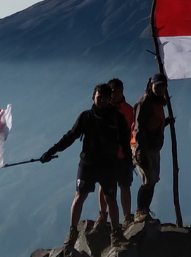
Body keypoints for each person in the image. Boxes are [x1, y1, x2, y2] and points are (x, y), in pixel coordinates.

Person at [40, 83, 128, 247]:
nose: (101, 100)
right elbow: (71, 136)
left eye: (105, 97)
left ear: (110, 99)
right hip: (88, 164)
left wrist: (126, 161)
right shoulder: (86, 117)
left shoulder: (116, 118)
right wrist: (51, 151)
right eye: (99, 97)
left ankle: (116, 233)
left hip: (108, 165)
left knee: (111, 199)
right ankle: (73, 232)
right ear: (93, 97)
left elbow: (125, 141)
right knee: (80, 196)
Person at [132, 73, 170, 222]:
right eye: (157, 86)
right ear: (151, 86)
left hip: (154, 148)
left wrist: (165, 122)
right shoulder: (144, 103)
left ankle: (145, 210)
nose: (160, 89)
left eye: (163, 86)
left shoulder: (159, 102)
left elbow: (152, 125)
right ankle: (140, 211)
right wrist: (140, 152)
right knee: (148, 180)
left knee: (153, 180)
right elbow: (139, 129)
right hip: (143, 148)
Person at [98, 78, 135, 227]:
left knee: (124, 185)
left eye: (120, 91)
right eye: (114, 92)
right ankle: (103, 215)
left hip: (124, 153)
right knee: (104, 185)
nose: (117, 95)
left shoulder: (128, 109)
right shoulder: (102, 110)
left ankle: (127, 217)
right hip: (107, 155)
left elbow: (133, 130)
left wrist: (131, 148)